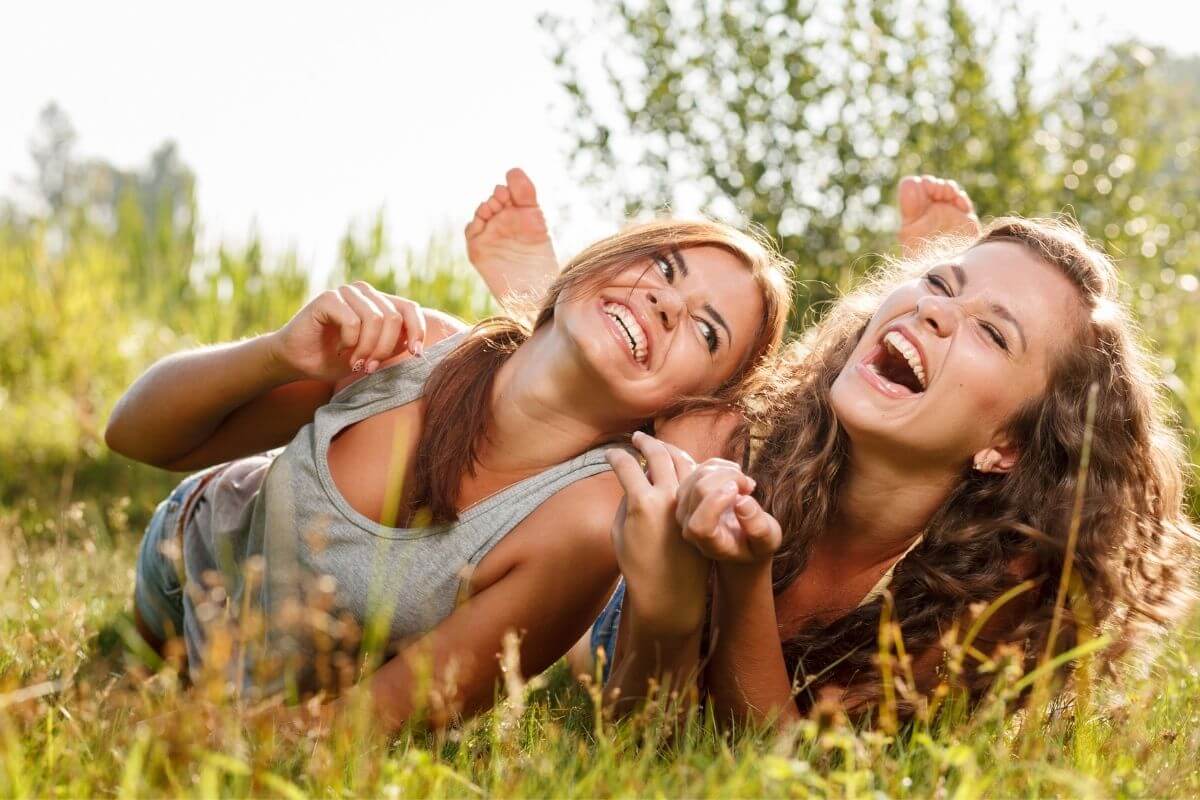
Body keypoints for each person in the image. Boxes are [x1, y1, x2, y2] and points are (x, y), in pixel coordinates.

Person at [473, 172, 1197, 723]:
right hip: (619, 602)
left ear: (1005, 445)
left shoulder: (995, 587)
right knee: (602, 454)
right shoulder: (727, 439)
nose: (937, 307)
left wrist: (744, 580)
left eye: (992, 331)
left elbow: (785, 765)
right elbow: (632, 712)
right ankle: (540, 306)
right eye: (939, 283)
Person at [105, 183, 792, 731]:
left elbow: (354, 731)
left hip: (277, 692)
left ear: (689, 404)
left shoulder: (583, 525)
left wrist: (211, 736)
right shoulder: (411, 346)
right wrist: (278, 353)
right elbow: (135, 438)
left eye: (706, 330)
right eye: (664, 267)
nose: (666, 303)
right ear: (600, 260)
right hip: (185, 565)